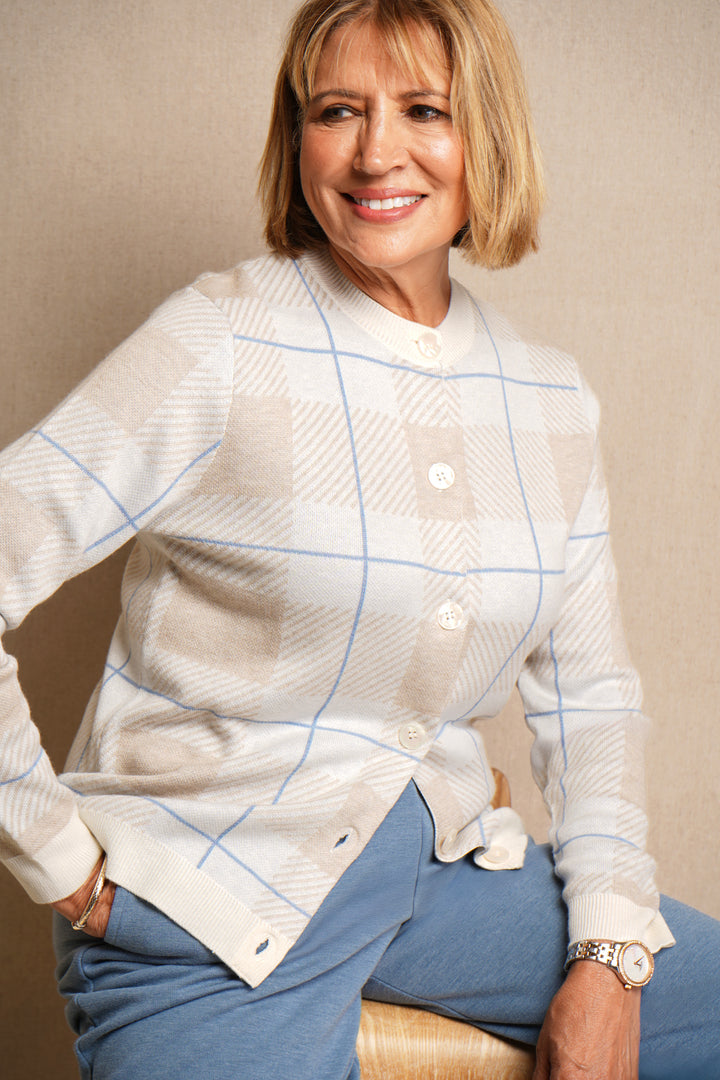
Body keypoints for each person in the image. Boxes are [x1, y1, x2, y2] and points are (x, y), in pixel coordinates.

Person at [0, 0, 718, 1077]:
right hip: (205, 906)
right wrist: (59, 860)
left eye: (423, 109)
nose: (377, 151)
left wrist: (609, 955)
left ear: (486, 136)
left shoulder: (550, 399)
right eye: (339, 110)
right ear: (299, 142)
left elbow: (594, 699)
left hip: (442, 883)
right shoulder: (221, 340)